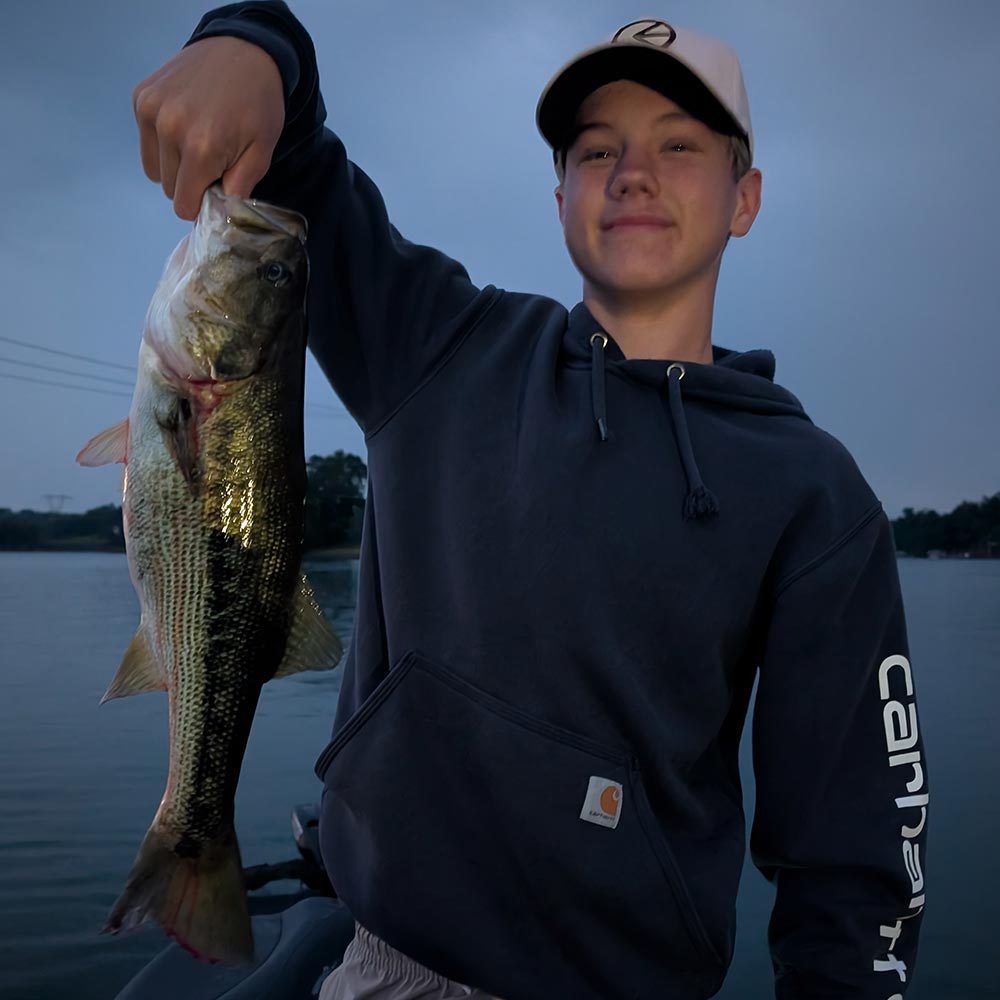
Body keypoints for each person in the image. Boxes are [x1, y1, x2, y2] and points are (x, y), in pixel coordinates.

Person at [133, 4, 929, 998]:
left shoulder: (813, 493)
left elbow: (855, 860)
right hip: (384, 965)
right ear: (560, 198)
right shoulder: (441, 348)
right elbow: (291, 163)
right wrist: (251, 39)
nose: (632, 173)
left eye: (680, 145)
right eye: (597, 150)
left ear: (745, 198)